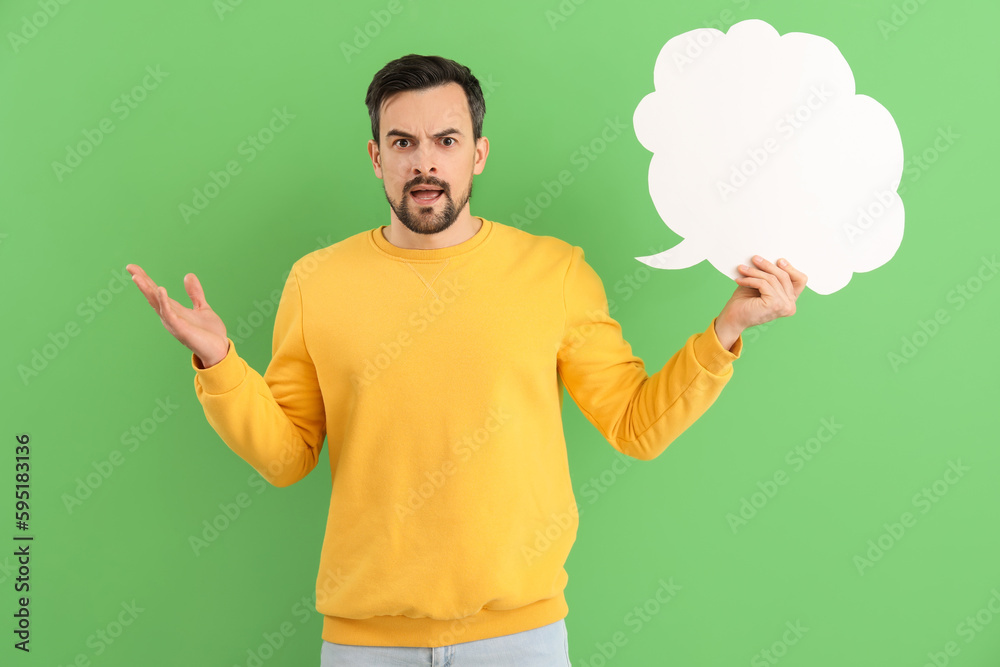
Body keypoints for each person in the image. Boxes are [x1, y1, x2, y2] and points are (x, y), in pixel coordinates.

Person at [127, 53, 807, 666]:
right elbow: (288, 455)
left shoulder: (555, 272)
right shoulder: (317, 281)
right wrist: (220, 364)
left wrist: (726, 328)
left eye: (445, 141)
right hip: (366, 642)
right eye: (403, 142)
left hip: (522, 639)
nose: (425, 162)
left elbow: (637, 425)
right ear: (375, 156)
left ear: (477, 153)